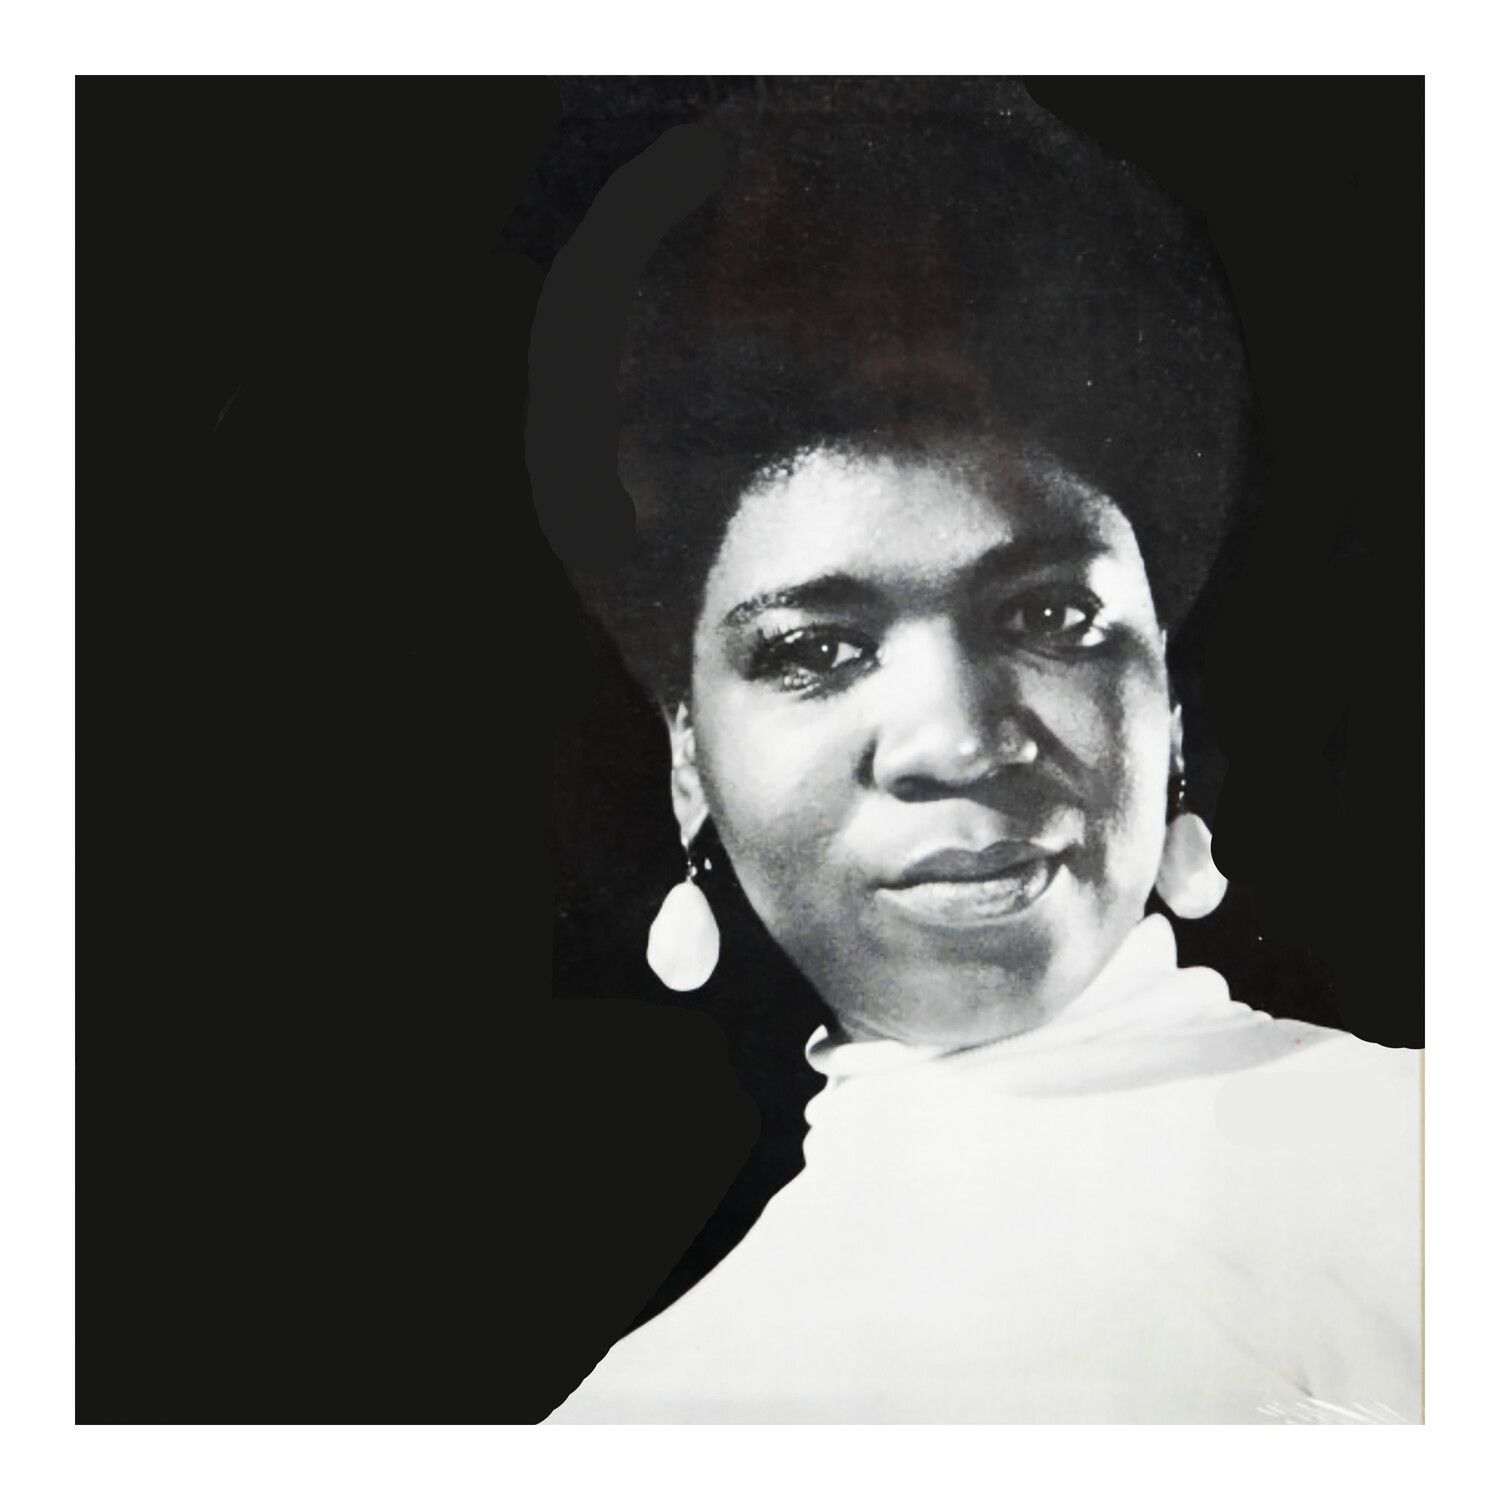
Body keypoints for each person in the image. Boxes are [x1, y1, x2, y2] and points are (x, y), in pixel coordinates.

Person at [542, 80, 1421, 1424]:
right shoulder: (650, 1419)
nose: (958, 740)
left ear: (1170, 712)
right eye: (817, 649)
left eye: (1050, 618)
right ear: (689, 770)